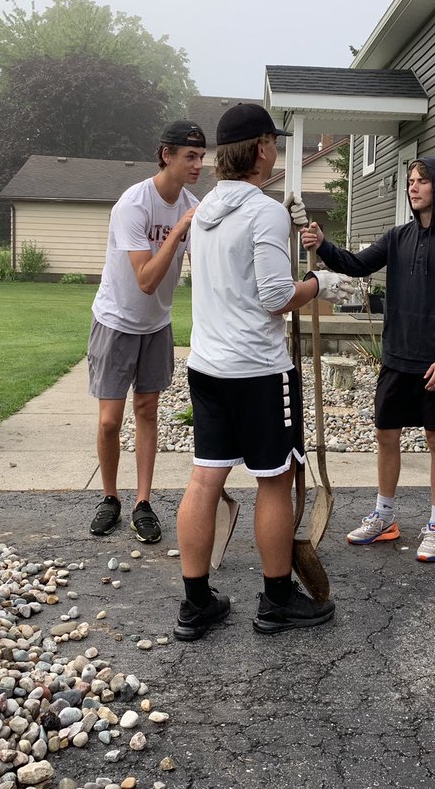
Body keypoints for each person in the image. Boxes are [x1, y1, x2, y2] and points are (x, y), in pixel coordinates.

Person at [173, 102, 353, 641]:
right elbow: (276, 296)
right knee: (274, 482)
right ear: (260, 149)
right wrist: (323, 285)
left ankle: (196, 604)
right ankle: (276, 602)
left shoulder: (204, 212)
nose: (275, 148)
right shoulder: (262, 211)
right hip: (257, 371)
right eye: (271, 141)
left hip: (207, 366)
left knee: (206, 479)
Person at [300, 156, 435, 564]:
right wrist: (323, 245)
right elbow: (357, 265)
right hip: (397, 357)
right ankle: (384, 516)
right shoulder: (398, 237)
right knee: (386, 435)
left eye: (423, 182)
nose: (413, 187)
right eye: (411, 181)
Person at [87, 120, 207, 544]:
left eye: (201, 156)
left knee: (148, 411)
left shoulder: (193, 205)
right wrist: (178, 231)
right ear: (166, 155)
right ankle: (109, 497)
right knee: (108, 421)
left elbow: (207, 269)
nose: (198, 164)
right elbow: (146, 279)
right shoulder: (133, 205)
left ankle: (142, 502)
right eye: (189, 156)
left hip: (157, 324)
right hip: (116, 320)